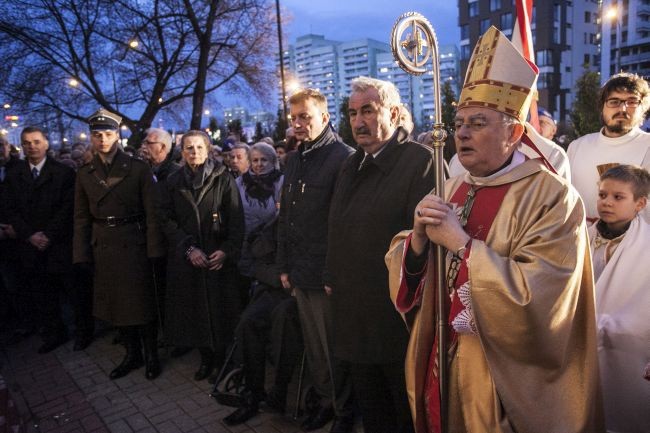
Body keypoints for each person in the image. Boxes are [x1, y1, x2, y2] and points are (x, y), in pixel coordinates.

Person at [386, 26, 603, 433]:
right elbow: (419, 274)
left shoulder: (552, 196)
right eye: (459, 122)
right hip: (444, 355)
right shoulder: (453, 184)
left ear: (515, 132)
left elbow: (545, 297)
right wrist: (416, 240)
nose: (462, 133)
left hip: (500, 374)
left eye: (478, 123)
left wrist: (463, 246)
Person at [325, 77, 436, 433]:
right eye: (353, 113)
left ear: (392, 112)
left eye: (368, 111)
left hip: (395, 317)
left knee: (404, 411)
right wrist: (331, 275)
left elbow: (427, 244)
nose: (358, 121)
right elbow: (337, 225)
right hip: (355, 313)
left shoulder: (421, 161)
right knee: (372, 411)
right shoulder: (351, 163)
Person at [277, 88, 355, 433]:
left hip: (326, 274)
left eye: (305, 116)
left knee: (333, 347)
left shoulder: (343, 157)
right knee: (315, 348)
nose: (297, 124)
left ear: (324, 117)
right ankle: (326, 403)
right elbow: (286, 217)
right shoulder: (295, 158)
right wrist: (283, 266)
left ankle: (344, 411)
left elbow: (342, 224)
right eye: (293, 118)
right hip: (299, 272)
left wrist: (331, 272)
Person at [73, 108, 165, 380]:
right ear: (91, 138)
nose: (102, 140)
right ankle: (131, 354)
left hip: (134, 243)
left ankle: (151, 355)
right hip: (105, 245)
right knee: (116, 305)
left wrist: (154, 249)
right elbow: (80, 217)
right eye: (97, 135)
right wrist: (81, 253)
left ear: (118, 135)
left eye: (108, 134)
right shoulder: (85, 173)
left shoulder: (137, 168)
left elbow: (153, 213)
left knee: (141, 304)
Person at [157, 130, 244, 382]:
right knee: (194, 311)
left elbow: (236, 220)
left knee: (220, 311)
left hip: (217, 257)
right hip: (189, 258)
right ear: (181, 152)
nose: (194, 152)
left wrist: (227, 250)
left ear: (208, 150)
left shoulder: (223, 178)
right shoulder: (173, 181)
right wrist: (188, 248)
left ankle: (222, 360)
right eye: (188, 148)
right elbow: (166, 219)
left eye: (198, 147)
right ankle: (205, 358)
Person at [587, 164, 650, 432]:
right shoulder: (582, 236)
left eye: (618, 197)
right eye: (602, 195)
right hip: (584, 341)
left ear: (640, 203)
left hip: (630, 349)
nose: (607, 203)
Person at [4, 126, 78, 353]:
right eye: (27, 143)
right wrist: (30, 235)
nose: (32, 146)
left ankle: (83, 331)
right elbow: (10, 208)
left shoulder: (63, 173)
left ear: (46, 143)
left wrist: (48, 235)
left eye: (36, 142)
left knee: (72, 291)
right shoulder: (14, 175)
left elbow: (68, 208)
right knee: (43, 294)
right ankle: (55, 333)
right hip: (31, 245)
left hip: (58, 244)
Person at [568, 72, 650, 223]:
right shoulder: (578, 146)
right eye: (614, 101)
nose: (623, 109)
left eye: (632, 101)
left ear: (643, 107)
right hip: (581, 239)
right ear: (602, 107)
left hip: (635, 242)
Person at [234, 142, 283, 306]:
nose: (259, 164)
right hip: (245, 244)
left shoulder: (280, 182)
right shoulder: (239, 183)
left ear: (272, 161)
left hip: (270, 246)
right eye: (255, 160)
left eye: (264, 160)